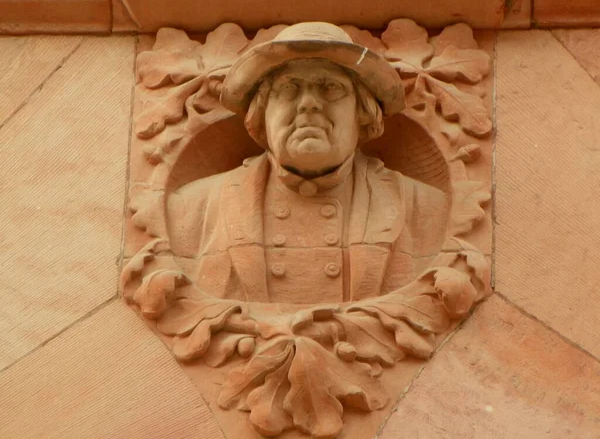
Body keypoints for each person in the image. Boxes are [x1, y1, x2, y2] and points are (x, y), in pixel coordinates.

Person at [166, 22, 449, 304]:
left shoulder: (425, 208)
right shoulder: (192, 209)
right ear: (261, 115)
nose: (309, 104)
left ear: (362, 113)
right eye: (289, 88)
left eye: (330, 87)